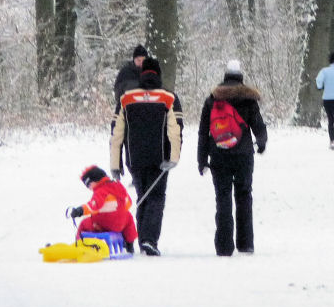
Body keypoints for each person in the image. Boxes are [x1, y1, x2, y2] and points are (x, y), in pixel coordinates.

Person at [109, 56, 183, 256]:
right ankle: (148, 240)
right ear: (158, 74)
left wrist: (115, 164)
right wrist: (174, 158)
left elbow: (116, 134)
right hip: (160, 159)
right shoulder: (167, 98)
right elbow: (174, 131)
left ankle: (141, 237)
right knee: (156, 197)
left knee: (143, 195)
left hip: (135, 158)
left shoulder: (126, 98)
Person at [197, 59, 268, 256]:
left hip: (219, 155)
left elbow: (203, 131)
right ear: (240, 76)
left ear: (225, 76)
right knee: (244, 195)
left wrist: (201, 159)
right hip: (243, 154)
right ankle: (245, 243)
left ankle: (224, 246)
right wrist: (261, 143)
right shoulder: (248, 98)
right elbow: (258, 125)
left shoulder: (213, 98)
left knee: (223, 197)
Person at [67, 165, 138, 253]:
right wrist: (120, 212)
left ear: (93, 181)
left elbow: (93, 205)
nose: (89, 188)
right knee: (129, 217)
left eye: (88, 185)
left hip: (103, 224)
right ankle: (129, 243)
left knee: (84, 224)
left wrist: (79, 211)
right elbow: (128, 203)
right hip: (121, 223)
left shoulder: (101, 191)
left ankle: (79, 244)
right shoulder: (118, 186)